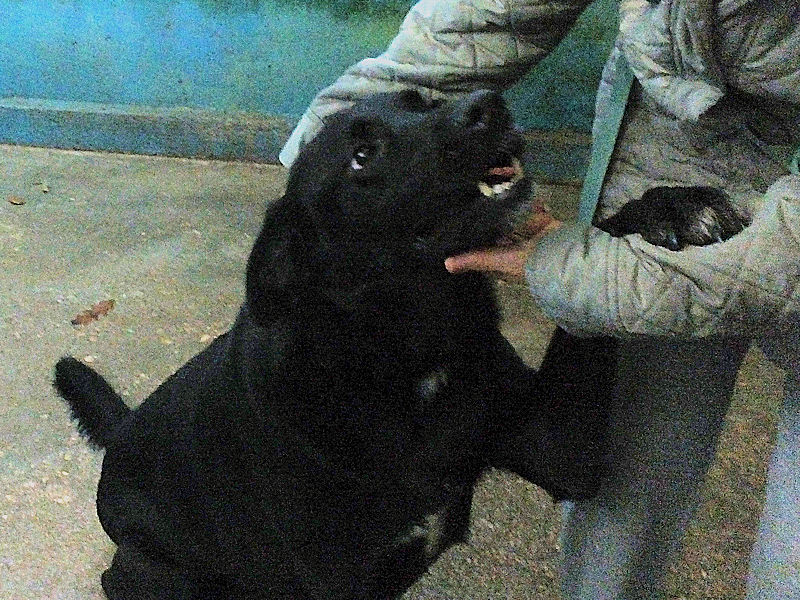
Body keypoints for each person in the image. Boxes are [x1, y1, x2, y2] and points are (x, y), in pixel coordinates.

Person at [278, 1, 800, 598]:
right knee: (626, 482)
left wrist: (585, 270)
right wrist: (311, 193)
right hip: (683, 140)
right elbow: (483, 18)